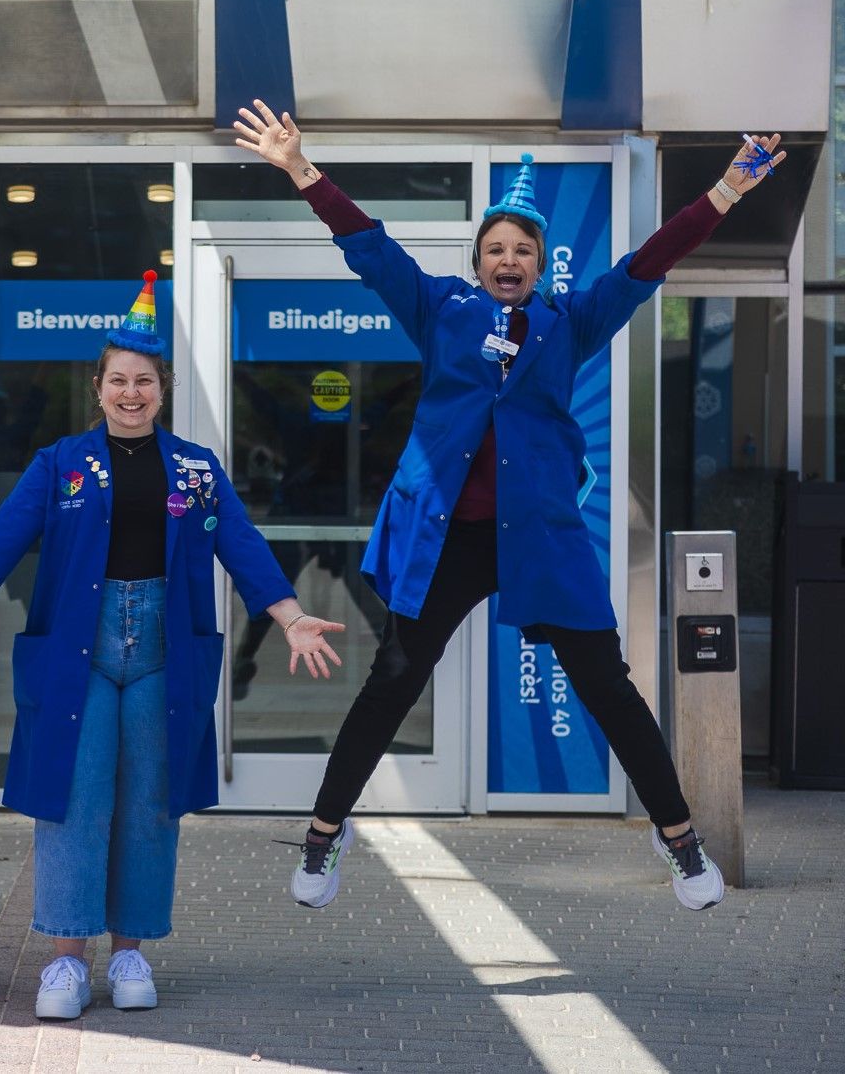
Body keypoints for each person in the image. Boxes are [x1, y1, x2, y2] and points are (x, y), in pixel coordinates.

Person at [235, 99, 786, 913]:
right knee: (392, 681)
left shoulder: (571, 323)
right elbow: (368, 249)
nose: (507, 258)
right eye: (494, 248)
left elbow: (649, 261)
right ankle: (324, 835)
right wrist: (300, 170)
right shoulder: (442, 312)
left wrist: (728, 192)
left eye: (522, 249)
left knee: (609, 687)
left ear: (541, 264)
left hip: (541, 540)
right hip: (449, 537)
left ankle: (680, 840)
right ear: (477, 260)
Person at [0, 272, 345, 1019]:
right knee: (75, 801)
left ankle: (133, 952)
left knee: (150, 802)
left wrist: (287, 613)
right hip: (80, 649)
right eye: (118, 380)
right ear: (98, 388)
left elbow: (240, 546)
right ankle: (66, 963)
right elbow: (7, 533)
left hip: (164, 653)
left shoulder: (198, 470)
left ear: (163, 389)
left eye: (144, 380)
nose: (131, 393)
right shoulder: (60, 463)